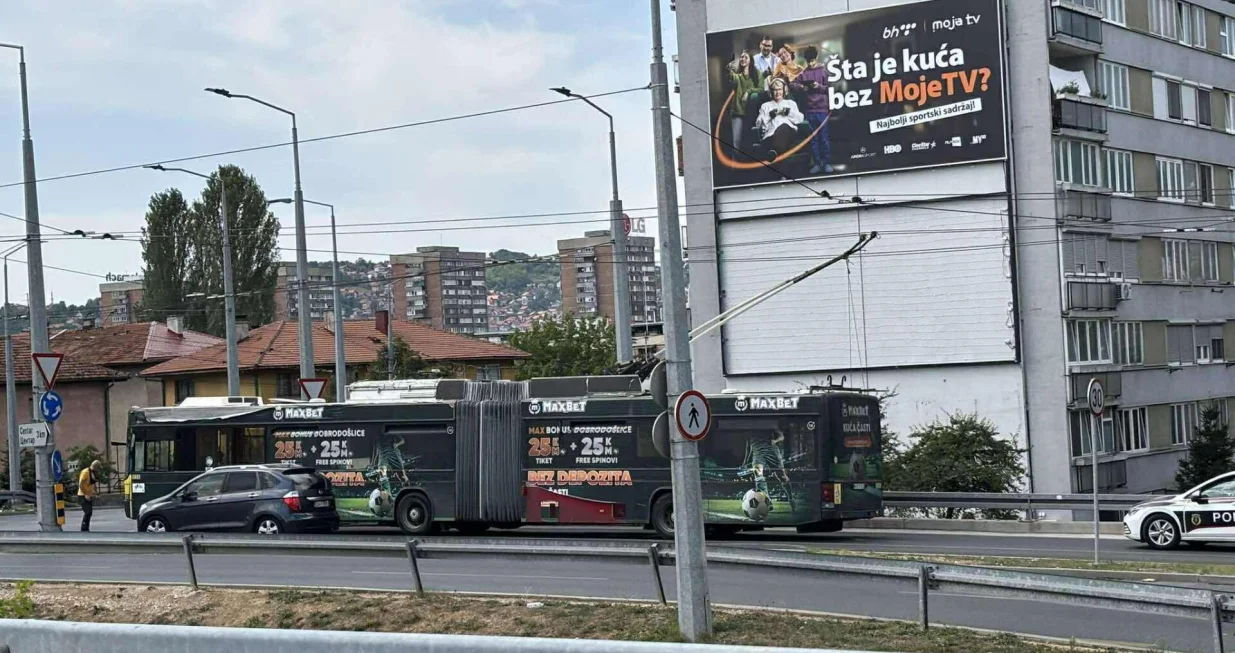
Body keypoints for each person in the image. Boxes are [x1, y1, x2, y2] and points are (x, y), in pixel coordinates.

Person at [791, 46, 833, 174]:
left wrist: (818, 86)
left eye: (812, 61)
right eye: (808, 61)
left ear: (816, 58)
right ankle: (817, 163)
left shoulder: (824, 71)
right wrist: (801, 88)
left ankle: (826, 163)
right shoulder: (804, 73)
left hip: (822, 109)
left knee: (824, 138)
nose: (810, 64)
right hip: (810, 111)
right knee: (813, 139)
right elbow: (792, 84)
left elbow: (829, 88)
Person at [753, 77, 804, 161]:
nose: (777, 93)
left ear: (784, 90)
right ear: (771, 91)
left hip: (788, 133)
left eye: (780, 89)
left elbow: (800, 119)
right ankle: (776, 152)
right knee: (777, 142)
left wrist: (789, 113)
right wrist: (770, 116)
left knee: (784, 126)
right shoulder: (765, 106)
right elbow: (758, 124)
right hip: (771, 135)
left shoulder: (790, 103)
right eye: (775, 90)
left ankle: (773, 152)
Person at [725, 51, 762, 152]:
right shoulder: (738, 76)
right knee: (736, 142)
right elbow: (732, 78)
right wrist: (729, 70)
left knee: (750, 142)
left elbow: (761, 88)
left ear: (750, 60)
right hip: (737, 112)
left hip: (752, 113)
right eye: (741, 57)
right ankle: (735, 164)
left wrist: (748, 92)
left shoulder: (756, 74)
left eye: (746, 57)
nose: (743, 59)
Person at [78, 460, 101, 532]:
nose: (98, 470)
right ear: (95, 467)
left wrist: (96, 493)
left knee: (90, 512)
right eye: (98, 468)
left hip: (89, 495)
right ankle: (84, 528)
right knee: (87, 512)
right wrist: (85, 494)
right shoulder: (85, 472)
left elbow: (93, 484)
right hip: (82, 495)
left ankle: (86, 528)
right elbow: (81, 484)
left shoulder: (92, 473)